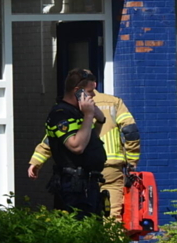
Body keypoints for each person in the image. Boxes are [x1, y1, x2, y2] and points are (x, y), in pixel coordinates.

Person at [28, 68, 141, 220]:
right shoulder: (110, 103)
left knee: (99, 217)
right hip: (106, 170)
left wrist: (37, 161)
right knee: (110, 218)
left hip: (96, 172)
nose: (92, 95)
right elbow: (131, 132)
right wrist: (132, 162)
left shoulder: (85, 108)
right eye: (89, 91)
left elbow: (50, 139)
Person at [40, 68, 108, 218]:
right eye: (89, 92)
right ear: (78, 91)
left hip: (89, 183)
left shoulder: (80, 113)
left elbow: (90, 139)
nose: (93, 96)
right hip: (73, 185)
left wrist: (99, 119)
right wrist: (89, 114)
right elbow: (76, 146)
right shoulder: (60, 114)